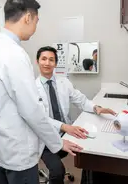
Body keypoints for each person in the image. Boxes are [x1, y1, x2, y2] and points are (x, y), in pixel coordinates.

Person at [0, 0, 82, 184]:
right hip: (19, 150)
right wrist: (58, 142)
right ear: (28, 18)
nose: (35, 28)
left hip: (0, 144)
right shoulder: (15, 54)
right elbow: (32, 111)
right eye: (36, 21)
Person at [35, 46, 116, 184]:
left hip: (66, 133)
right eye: (43, 59)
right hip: (45, 138)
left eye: (51, 59)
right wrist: (65, 127)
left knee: (94, 150)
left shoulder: (63, 82)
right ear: (37, 62)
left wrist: (96, 108)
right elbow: (40, 119)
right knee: (57, 171)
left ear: (55, 63)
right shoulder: (31, 88)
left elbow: (81, 100)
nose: (47, 63)